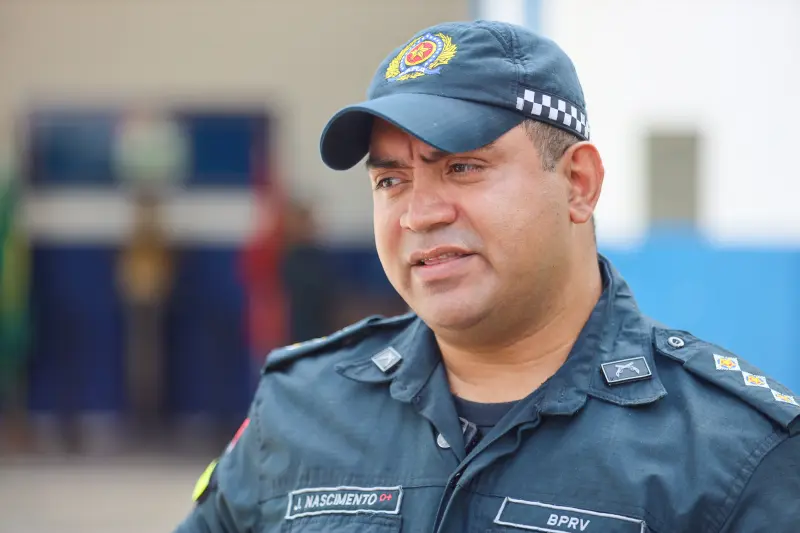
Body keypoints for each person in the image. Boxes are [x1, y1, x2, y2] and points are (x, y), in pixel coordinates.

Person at [173, 20, 800, 532]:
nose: (418, 213)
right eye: (391, 180)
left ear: (578, 184)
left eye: (463, 168)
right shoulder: (302, 408)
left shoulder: (732, 455)